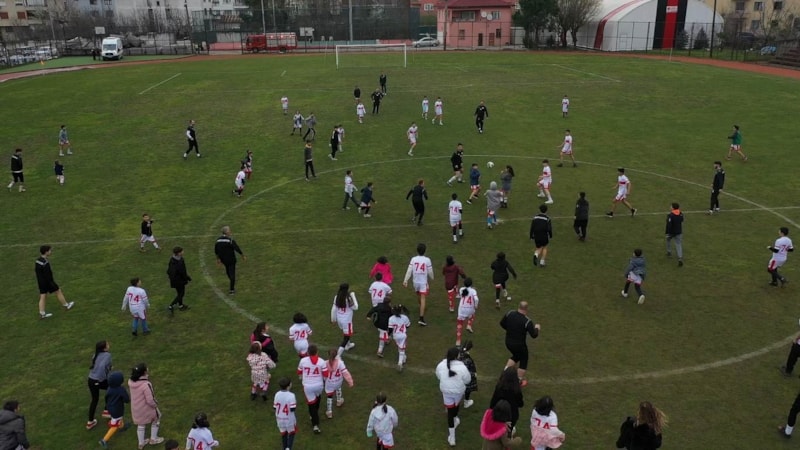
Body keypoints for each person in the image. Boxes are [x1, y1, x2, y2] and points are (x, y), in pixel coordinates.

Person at [435, 347, 471, 447]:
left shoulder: (441, 365)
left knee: (450, 411)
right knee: (455, 406)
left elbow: (438, 375)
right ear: (456, 356)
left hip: (446, 391)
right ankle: (454, 422)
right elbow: (468, 380)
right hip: (458, 392)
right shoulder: (462, 367)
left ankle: (452, 436)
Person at [500, 301, 541, 387]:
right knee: (524, 359)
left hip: (508, 342)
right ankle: (518, 380)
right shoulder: (527, 321)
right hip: (519, 345)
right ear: (526, 309)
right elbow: (534, 335)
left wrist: (510, 329)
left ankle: (505, 372)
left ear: (518, 307)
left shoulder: (510, 313)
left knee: (516, 356)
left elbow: (502, 323)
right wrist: (537, 328)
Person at [129, 363, 165, 448]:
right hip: (147, 408)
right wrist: (155, 405)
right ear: (144, 372)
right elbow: (150, 400)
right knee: (157, 418)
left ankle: (141, 443)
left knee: (141, 424)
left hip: (136, 408)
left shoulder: (130, 381)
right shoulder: (146, 384)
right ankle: (153, 439)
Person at [35, 245, 75, 319]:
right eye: (50, 251)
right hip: (48, 282)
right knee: (58, 291)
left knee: (43, 296)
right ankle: (66, 305)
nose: (51, 252)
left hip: (40, 282)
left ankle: (42, 314)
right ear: (46, 252)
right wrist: (52, 283)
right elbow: (48, 275)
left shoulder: (38, 261)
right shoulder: (45, 263)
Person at [297, 344, 328, 434]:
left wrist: (302, 377)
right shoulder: (321, 361)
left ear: (307, 352)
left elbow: (299, 371)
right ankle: (315, 414)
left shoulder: (303, 361)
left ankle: (315, 424)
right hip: (319, 385)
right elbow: (326, 374)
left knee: (311, 405)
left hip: (307, 386)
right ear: (317, 352)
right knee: (317, 398)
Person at [403, 243, 434, 326]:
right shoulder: (427, 260)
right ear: (425, 251)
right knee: (423, 298)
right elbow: (430, 271)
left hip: (415, 281)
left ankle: (421, 307)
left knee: (418, 295)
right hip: (423, 282)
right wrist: (432, 277)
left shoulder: (413, 259)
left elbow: (409, 270)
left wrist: (405, 280)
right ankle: (421, 318)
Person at [98, 371, 129, 448]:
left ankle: (122, 426)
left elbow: (106, 398)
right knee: (115, 425)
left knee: (118, 420)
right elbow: (127, 399)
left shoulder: (109, 388)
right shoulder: (121, 389)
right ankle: (104, 440)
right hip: (117, 410)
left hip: (110, 408)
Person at [86, 340, 112, 430]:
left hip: (91, 379)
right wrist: (102, 379)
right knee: (112, 388)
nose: (109, 345)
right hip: (98, 380)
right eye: (107, 344)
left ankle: (90, 422)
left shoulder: (95, 355)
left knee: (94, 399)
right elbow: (101, 368)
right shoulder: (108, 355)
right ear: (104, 348)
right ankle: (106, 410)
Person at [214, 225, 246, 295]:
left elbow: (216, 250)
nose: (230, 231)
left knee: (228, 271)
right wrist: (242, 255)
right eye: (229, 230)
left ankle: (232, 281)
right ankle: (232, 289)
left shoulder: (218, 240)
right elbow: (236, 248)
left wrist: (218, 259)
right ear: (226, 232)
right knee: (232, 273)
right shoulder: (230, 240)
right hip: (231, 260)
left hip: (224, 260)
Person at [324, 348, 355, 419]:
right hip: (338, 381)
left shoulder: (325, 363)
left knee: (329, 396)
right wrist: (350, 382)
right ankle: (339, 401)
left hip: (329, 383)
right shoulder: (340, 363)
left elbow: (322, 373)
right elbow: (345, 373)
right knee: (338, 388)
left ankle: (329, 412)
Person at [330, 282, 359, 356]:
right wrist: (353, 296)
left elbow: (333, 309)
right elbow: (356, 307)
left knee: (345, 333)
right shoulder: (348, 298)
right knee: (346, 338)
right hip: (347, 321)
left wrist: (333, 319)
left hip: (339, 319)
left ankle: (348, 345)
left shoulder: (336, 297)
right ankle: (338, 355)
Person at [273, 377, 298, 449]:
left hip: (279, 418)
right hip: (289, 419)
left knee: (283, 434)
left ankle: (284, 447)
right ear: (289, 385)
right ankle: (288, 448)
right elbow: (292, 409)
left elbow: (274, 407)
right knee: (292, 433)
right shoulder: (291, 395)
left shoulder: (277, 394)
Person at [455, 278, 479, 347]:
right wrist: (476, 305)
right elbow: (476, 299)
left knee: (459, 324)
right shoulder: (473, 291)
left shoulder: (461, 289)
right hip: (470, 309)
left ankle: (458, 341)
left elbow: (464, 293)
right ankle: (469, 325)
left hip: (462, 309)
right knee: (472, 315)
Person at [167, 246, 191, 313]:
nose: (183, 252)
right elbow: (182, 272)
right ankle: (171, 306)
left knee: (179, 293)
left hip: (176, 280)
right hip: (179, 281)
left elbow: (168, 271)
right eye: (182, 251)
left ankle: (181, 306)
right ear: (178, 253)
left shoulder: (174, 259)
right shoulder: (178, 261)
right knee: (181, 294)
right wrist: (186, 277)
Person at [388, 304, 411, 371]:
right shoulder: (405, 317)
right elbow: (408, 325)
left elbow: (390, 329)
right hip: (403, 335)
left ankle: (403, 358)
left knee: (400, 347)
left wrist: (389, 335)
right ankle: (400, 364)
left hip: (395, 336)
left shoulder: (391, 318)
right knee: (402, 349)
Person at [459, 341, 478, 408]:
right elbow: (466, 370)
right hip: (466, 376)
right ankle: (466, 402)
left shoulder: (460, 354)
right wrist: (473, 374)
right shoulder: (467, 359)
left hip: (458, 376)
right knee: (468, 388)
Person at [665, 203, 684, 267]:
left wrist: (667, 232)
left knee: (668, 240)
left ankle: (669, 252)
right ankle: (680, 258)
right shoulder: (680, 213)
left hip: (672, 232)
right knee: (678, 244)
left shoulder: (670, 215)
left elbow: (669, 225)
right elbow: (682, 220)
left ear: (673, 208)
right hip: (679, 231)